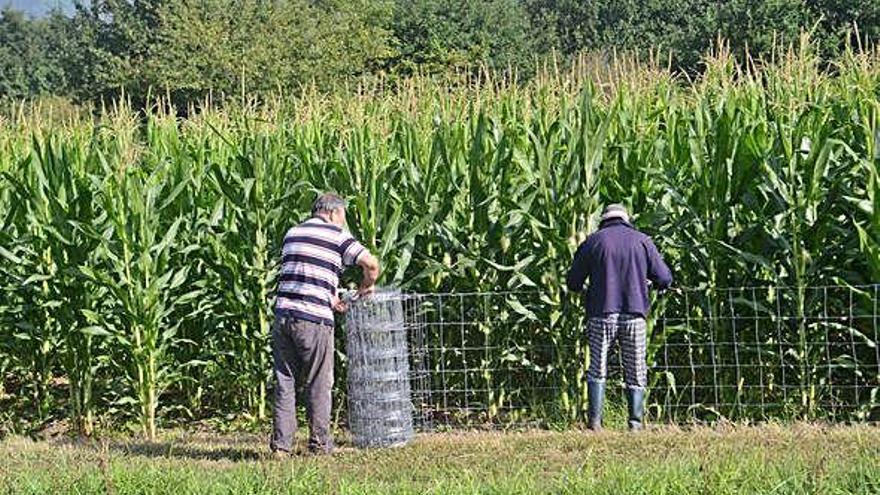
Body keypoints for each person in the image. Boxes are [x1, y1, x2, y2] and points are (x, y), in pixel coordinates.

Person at [270, 193, 380, 455]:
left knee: (285, 381)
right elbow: (371, 263)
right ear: (333, 213)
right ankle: (319, 445)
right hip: (313, 321)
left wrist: (330, 298)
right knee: (319, 382)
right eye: (343, 217)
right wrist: (367, 285)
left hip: (284, 316)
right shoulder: (336, 235)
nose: (344, 223)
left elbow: (302, 273)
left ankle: (281, 448)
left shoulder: (293, 232)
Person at [566, 204, 672, 431]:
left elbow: (573, 282)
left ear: (604, 219)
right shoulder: (642, 241)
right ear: (626, 219)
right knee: (635, 369)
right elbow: (664, 277)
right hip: (635, 314)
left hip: (600, 313)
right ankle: (635, 424)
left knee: (597, 367)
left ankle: (595, 423)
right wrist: (648, 284)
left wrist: (590, 287)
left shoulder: (594, 241)